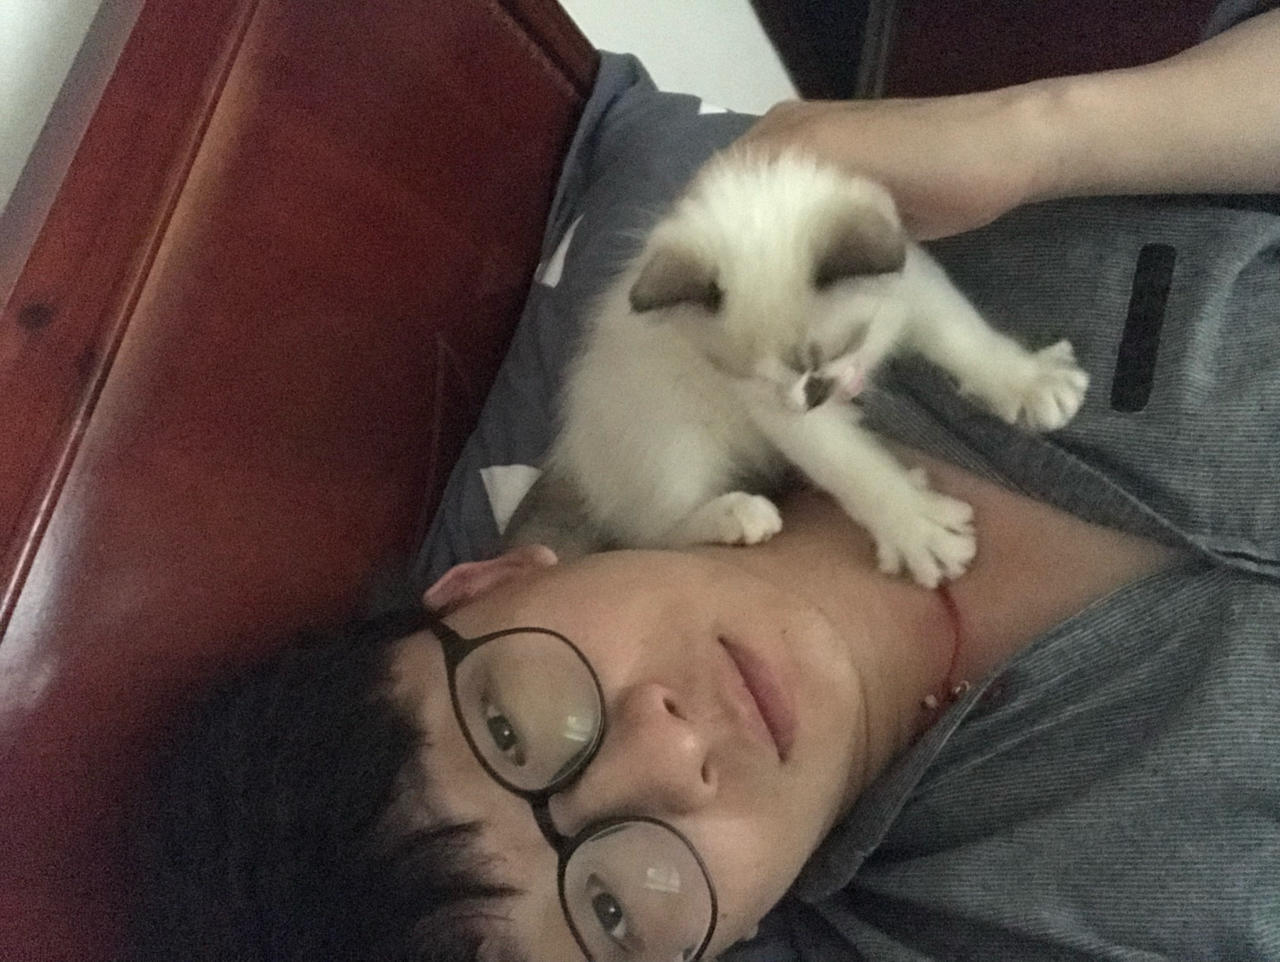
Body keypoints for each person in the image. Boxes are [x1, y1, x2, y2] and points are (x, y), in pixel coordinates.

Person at [130, 6, 1280, 961]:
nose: (668, 754)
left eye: (518, 724)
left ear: (490, 579)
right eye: (613, 909)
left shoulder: (893, 264)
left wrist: (1055, 132)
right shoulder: (975, 923)